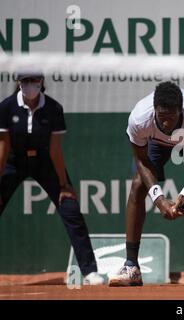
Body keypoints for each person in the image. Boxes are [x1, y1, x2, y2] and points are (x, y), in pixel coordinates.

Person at [108, 81, 184, 287]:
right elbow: (142, 161)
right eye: (161, 118)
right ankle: (131, 267)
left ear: (180, 112)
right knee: (138, 185)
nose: (166, 124)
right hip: (155, 143)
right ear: (154, 110)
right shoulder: (139, 119)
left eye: (171, 118)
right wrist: (160, 200)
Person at [0, 71, 104, 285]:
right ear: (19, 83)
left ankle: (89, 272)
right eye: (25, 81)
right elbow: (3, 146)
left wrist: (64, 185)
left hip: (44, 162)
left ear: (42, 82)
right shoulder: (6, 107)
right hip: (13, 161)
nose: (30, 85)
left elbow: (55, 149)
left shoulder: (54, 108)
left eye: (34, 81)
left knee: (71, 209)